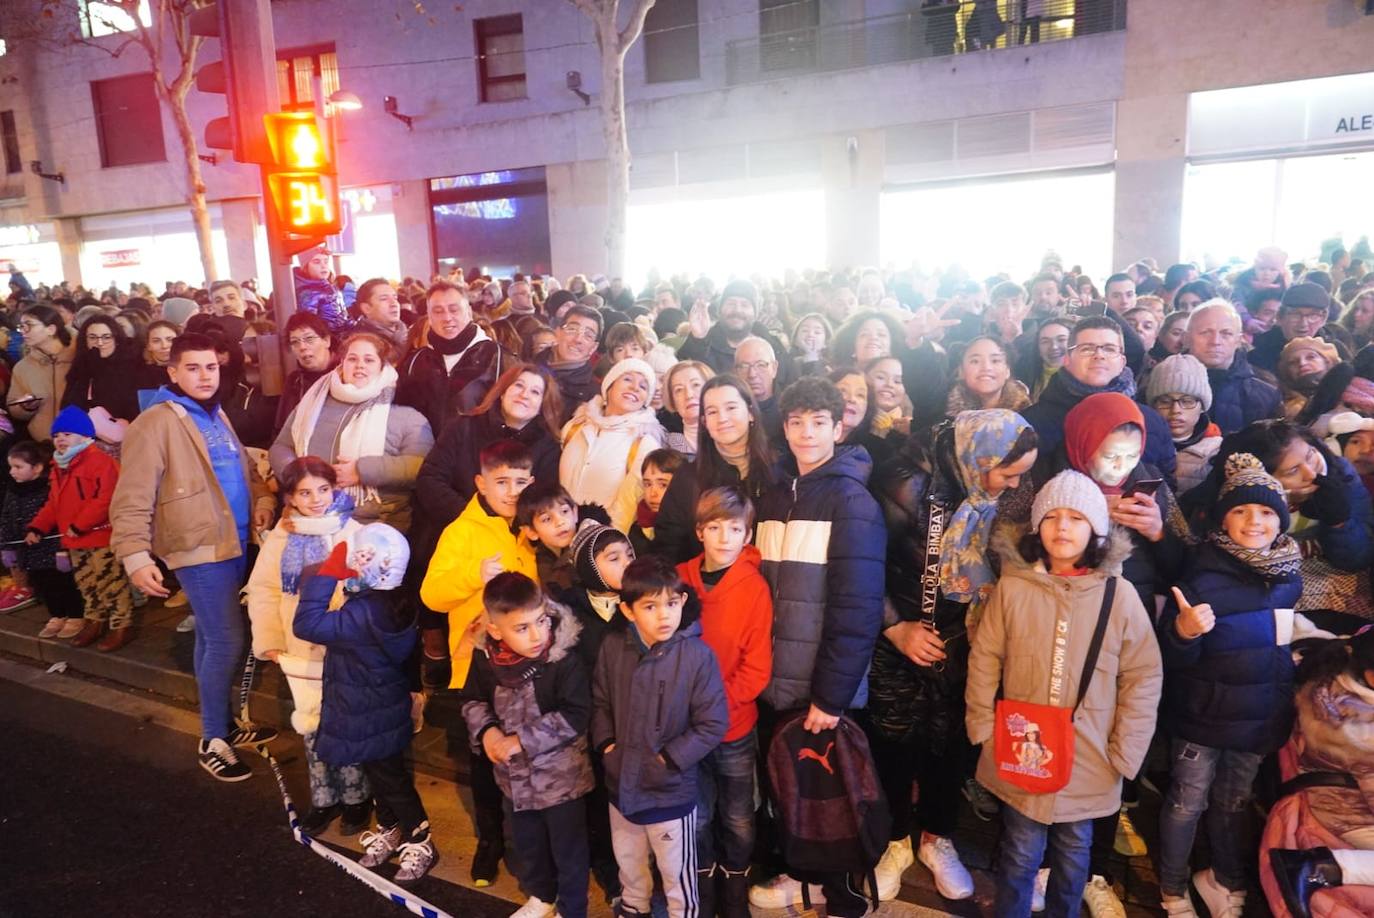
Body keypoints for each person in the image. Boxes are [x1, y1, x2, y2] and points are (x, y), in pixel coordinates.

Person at [965, 470, 1161, 918]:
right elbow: (985, 658)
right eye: (1052, 516)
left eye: (1076, 517)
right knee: (1018, 848)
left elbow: (1143, 675)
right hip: (1022, 746)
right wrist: (980, 724)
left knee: (1075, 853)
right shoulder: (1014, 587)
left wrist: (1126, 750)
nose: (1063, 527)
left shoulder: (1120, 595)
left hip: (1091, 751)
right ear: (1037, 527)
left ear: (1096, 529)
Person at [869, 411, 1038, 903]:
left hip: (969, 633)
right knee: (895, 742)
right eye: (1008, 472)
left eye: (1022, 473)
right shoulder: (906, 479)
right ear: (980, 457)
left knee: (955, 741)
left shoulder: (1005, 493)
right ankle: (895, 839)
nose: (1016, 482)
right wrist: (894, 626)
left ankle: (937, 837)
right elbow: (864, 559)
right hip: (901, 628)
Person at [110, 332, 278, 780]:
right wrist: (134, 554)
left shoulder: (215, 412)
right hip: (197, 546)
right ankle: (212, 739)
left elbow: (243, 469)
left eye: (211, 367)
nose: (204, 376)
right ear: (172, 372)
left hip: (233, 541)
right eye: (193, 368)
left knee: (212, 636)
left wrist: (261, 500)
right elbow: (131, 495)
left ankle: (220, 726)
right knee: (227, 639)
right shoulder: (156, 422)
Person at [749, 377, 886, 917]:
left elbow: (857, 610)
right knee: (789, 788)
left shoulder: (851, 500)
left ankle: (839, 889)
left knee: (829, 792)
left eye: (818, 422)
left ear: (838, 425)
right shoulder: (777, 493)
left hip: (819, 683)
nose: (807, 433)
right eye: (796, 421)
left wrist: (830, 697)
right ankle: (797, 876)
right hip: (775, 674)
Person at [1156, 453, 1302, 918]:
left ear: (1281, 519)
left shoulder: (1289, 577)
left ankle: (1223, 879)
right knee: (1185, 804)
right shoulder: (1201, 573)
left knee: (1234, 804)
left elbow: (1281, 650)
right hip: (1201, 717)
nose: (1253, 521)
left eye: (1264, 511)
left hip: (1258, 719)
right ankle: (1171, 889)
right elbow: (1176, 657)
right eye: (1240, 510)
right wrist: (1184, 632)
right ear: (1223, 518)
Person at [293, 523, 437, 885]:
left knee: (391, 778)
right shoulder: (390, 603)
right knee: (380, 772)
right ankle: (390, 827)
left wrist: (327, 573)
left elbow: (307, 623)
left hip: (369, 710)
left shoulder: (362, 614)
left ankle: (420, 837)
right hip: (379, 705)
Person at [592, 556, 729, 918]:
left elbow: (712, 723)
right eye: (650, 606)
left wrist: (668, 759)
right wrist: (607, 746)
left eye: (671, 603)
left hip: (670, 791)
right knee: (631, 870)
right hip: (621, 786)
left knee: (677, 877)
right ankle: (633, 909)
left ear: (683, 601)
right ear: (628, 610)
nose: (664, 615)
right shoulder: (613, 648)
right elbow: (601, 702)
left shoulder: (698, 657)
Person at [245, 456, 370, 836]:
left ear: (335, 489)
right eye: (304, 492)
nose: (315, 499)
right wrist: (268, 637)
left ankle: (356, 798)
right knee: (311, 722)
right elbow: (263, 589)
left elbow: (376, 584)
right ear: (290, 497)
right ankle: (323, 798)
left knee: (346, 721)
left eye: (323, 489)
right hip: (299, 648)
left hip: (345, 646)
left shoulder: (356, 531)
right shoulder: (282, 537)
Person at [462, 572, 594, 918]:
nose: (538, 636)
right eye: (522, 628)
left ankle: (572, 908)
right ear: (495, 631)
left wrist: (519, 740)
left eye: (541, 622)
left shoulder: (562, 660)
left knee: (569, 850)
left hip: (562, 782)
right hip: (513, 782)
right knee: (528, 844)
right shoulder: (485, 660)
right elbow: (473, 701)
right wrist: (488, 732)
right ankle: (541, 896)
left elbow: (576, 715)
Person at [676, 487, 773, 918]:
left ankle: (735, 881)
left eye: (735, 528)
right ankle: (703, 882)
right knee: (696, 816)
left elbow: (756, 669)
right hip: (686, 728)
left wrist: (714, 706)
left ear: (747, 533)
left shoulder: (754, 588)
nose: (724, 537)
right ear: (700, 531)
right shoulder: (679, 578)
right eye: (714, 527)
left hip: (733, 726)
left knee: (737, 815)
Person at [271, 333, 433, 531]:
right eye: (352, 359)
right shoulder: (312, 404)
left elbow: (421, 466)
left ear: (383, 366)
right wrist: (299, 477)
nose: (360, 365)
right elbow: (281, 446)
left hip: (374, 525)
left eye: (369, 360)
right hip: (309, 520)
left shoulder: (406, 413)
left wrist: (362, 470)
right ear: (342, 363)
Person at [1265, 627, 1374, 918]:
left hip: (1331, 786)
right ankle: (1325, 866)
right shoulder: (1361, 729)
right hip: (1346, 809)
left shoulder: (1332, 670)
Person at [1020, 316, 1176, 487]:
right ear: (1067, 359)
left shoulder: (1151, 420)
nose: (1099, 355)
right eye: (1087, 349)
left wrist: (1156, 509)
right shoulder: (1032, 423)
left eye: (1109, 349)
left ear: (1122, 361)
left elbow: (1166, 482)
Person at [26, 407, 135, 652]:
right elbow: (54, 503)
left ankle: (121, 625)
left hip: (100, 536)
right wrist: (38, 527)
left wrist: (79, 524)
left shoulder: (100, 462)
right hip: (74, 539)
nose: (60, 439)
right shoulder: (59, 467)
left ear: (85, 436)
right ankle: (95, 620)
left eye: (67, 433)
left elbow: (106, 498)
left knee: (111, 581)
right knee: (87, 583)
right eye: (56, 435)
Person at [655, 376, 774, 565]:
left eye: (731, 408)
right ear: (704, 422)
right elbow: (668, 547)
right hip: (703, 589)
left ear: (750, 413)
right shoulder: (688, 478)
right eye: (712, 412)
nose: (722, 418)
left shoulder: (777, 472)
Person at [559, 358, 665, 532]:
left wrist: (602, 543)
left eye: (643, 386)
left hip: (602, 540)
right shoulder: (575, 426)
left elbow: (626, 510)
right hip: (559, 532)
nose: (635, 388)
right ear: (609, 386)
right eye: (628, 379)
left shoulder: (644, 443)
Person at [397, 281, 505, 436]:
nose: (447, 318)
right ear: (429, 316)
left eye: (454, 310)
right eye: (438, 311)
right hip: (423, 455)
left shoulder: (497, 357)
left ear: (468, 311)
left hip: (478, 456)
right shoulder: (415, 362)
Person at [3, 440, 83, 638]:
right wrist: (6, 546)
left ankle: (75, 615)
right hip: (28, 550)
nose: (12, 472)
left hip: (51, 547)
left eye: (18, 467)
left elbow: (60, 518)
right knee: (43, 585)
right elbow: (6, 517)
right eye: (11, 467)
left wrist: (62, 548)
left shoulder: (48, 489)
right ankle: (56, 614)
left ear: (37, 468)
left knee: (64, 582)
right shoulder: (13, 490)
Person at [1184, 299, 1281, 435]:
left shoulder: (1265, 394)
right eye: (1205, 332)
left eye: (1226, 334)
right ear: (1187, 338)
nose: (1215, 342)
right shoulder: (1160, 383)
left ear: (1238, 340)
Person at [61, 314, 142, 450]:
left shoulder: (132, 367)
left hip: (127, 443)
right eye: (93, 337)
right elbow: (69, 407)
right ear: (84, 341)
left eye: (106, 337)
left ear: (116, 339)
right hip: (86, 445)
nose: (99, 343)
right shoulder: (80, 367)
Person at [1146, 354, 1222, 495]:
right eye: (1165, 401)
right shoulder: (1137, 447)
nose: (1175, 410)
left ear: (1202, 407)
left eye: (1187, 401)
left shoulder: (1219, 453)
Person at [680, 279, 787, 377]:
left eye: (745, 305)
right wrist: (698, 339)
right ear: (720, 310)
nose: (737, 310)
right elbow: (683, 375)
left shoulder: (774, 347)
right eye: (731, 303)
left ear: (755, 313)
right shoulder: (703, 342)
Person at [10, 304, 77, 442]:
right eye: (21, 326)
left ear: (51, 329)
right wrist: (25, 407)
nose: (23, 331)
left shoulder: (79, 358)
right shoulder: (23, 367)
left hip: (80, 440)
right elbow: (13, 406)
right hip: (43, 441)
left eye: (29, 325)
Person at [1250, 283, 1332, 375]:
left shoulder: (1334, 349)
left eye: (1313, 315)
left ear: (1323, 319)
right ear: (1280, 317)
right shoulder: (1259, 355)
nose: (1303, 324)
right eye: (1295, 314)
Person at [538, 305, 603, 417]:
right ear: (558, 333)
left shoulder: (592, 396)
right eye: (572, 329)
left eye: (588, 335)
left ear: (593, 348)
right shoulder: (528, 365)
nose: (578, 339)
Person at [945, 336, 1031, 417]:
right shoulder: (944, 415)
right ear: (961, 371)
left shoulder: (1027, 414)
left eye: (995, 361)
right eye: (975, 361)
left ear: (1007, 370)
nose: (986, 367)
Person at [628, 447, 682, 558]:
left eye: (663, 485)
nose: (653, 493)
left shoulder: (689, 531)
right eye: (648, 484)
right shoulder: (636, 529)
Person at [660, 360, 714, 458]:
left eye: (696, 385)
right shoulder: (669, 444)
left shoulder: (730, 433)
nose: (689, 395)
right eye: (679, 390)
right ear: (672, 401)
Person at [1278, 336, 1340, 421]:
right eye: (1293, 362)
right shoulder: (1280, 405)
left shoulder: (1347, 392)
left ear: (1327, 361)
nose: (1302, 363)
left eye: (1311, 357)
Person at [292, 244, 350, 333]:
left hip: (340, 336)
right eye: (316, 262)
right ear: (306, 267)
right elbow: (309, 325)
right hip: (327, 340)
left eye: (326, 261)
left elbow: (342, 316)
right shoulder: (308, 294)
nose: (323, 266)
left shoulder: (332, 288)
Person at [354, 278, 410, 360]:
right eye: (384, 299)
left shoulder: (412, 335)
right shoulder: (360, 344)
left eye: (395, 298)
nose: (394, 303)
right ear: (366, 308)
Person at [138, 319, 180, 394]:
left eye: (170, 340)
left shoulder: (188, 368)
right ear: (148, 346)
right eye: (156, 341)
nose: (164, 346)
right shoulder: (139, 374)